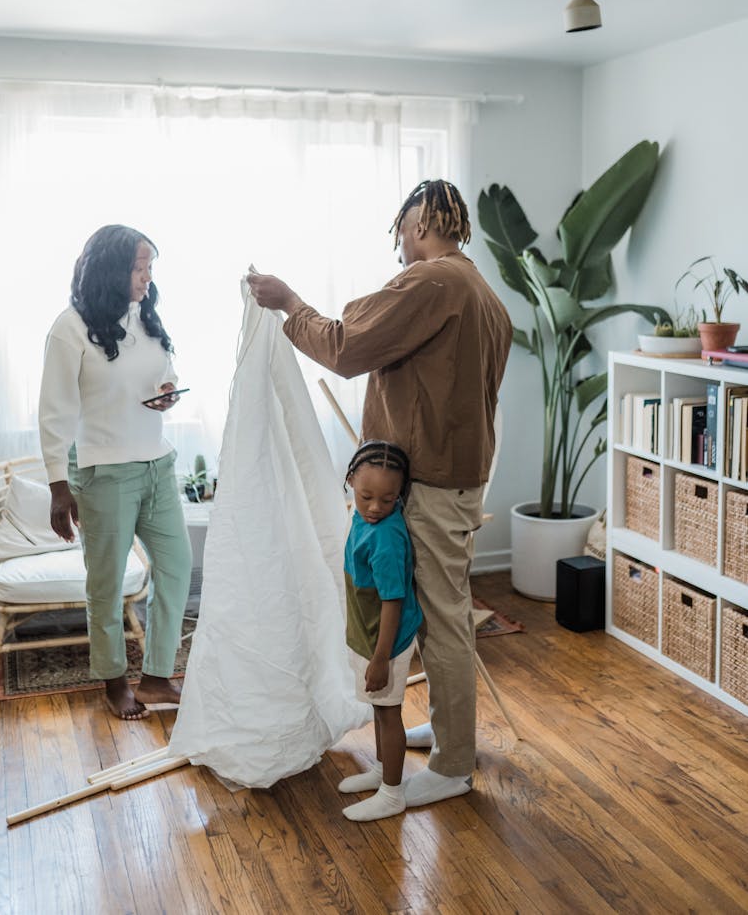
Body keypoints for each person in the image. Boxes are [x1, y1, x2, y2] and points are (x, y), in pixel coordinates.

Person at [248, 178, 512, 807]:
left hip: (436, 485)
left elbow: (344, 347)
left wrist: (290, 303)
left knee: (444, 622)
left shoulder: (433, 282)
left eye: (400, 228)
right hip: (463, 478)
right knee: (439, 615)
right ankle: (451, 734)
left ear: (420, 224)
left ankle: (451, 766)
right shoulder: (484, 295)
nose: (398, 241)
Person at [39, 224, 192, 720]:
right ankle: (113, 681)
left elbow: (158, 372)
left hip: (156, 462)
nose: (147, 277)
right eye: (139, 267)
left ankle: (154, 677)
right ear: (111, 269)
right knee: (105, 586)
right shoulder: (69, 328)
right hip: (104, 472)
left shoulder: (145, 316)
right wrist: (58, 486)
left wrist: (167, 390)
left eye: (150, 267)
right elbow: (55, 411)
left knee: (176, 567)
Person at [339, 440, 422, 822]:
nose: (374, 507)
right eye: (366, 496)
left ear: (399, 496)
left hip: (385, 640)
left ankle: (392, 792)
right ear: (352, 481)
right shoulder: (365, 517)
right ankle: (381, 769)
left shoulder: (386, 539)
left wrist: (380, 659)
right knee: (379, 708)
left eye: (387, 501)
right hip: (369, 631)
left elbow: (393, 601)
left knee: (389, 712)